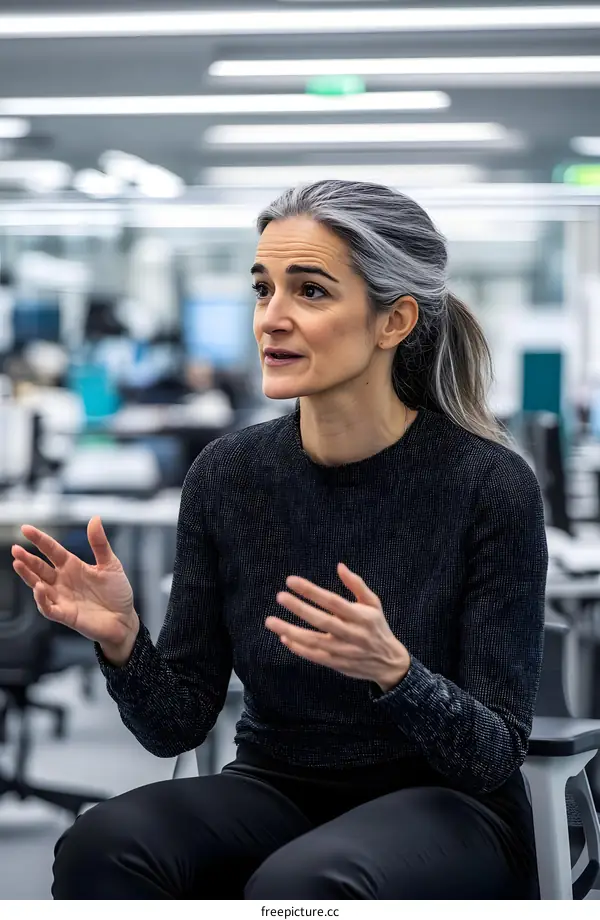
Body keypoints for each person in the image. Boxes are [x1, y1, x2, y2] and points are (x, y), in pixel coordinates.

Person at [12, 180, 547, 900]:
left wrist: (397, 673)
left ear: (394, 322)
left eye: (312, 292)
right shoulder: (229, 476)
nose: (272, 318)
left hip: (451, 802)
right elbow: (178, 726)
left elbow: (494, 755)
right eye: (263, 290)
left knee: (305, 884)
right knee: (101, 846)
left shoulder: (489, 485)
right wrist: (123, 641)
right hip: (278, 786)